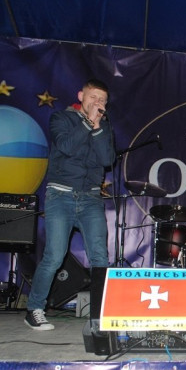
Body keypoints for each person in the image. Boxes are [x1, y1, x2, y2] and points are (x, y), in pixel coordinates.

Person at [25, 78, 115, 330]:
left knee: (100, 256)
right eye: (93, 97)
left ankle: (102, 313)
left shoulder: (104, 126)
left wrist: (97, 128)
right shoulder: (61, 118)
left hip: (91, 198)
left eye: (102, 100)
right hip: (61, 195)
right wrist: (87, 123)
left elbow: (107, 159)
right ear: (81, 96)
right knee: (54, 256)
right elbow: (65, 146)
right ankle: (34, 309)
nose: (98, 102)